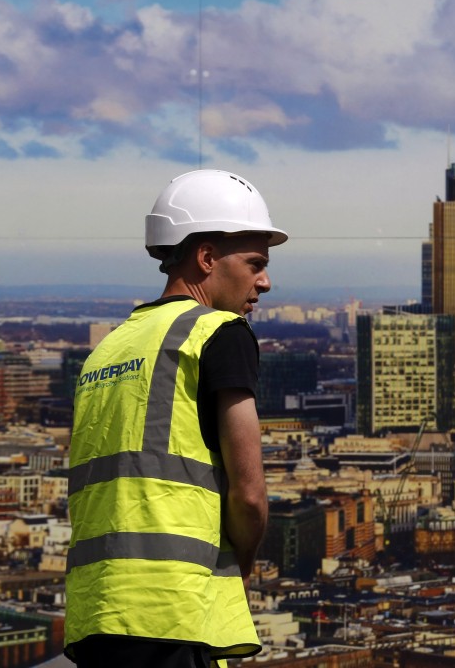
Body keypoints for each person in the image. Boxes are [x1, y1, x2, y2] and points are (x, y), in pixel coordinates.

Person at [65, 169, 288, 668]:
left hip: (96, 612)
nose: (265, 281)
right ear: (206, 257)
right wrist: (240, 568)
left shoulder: (108, 348)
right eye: (254, 263)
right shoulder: (218, 332)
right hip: (175, 609)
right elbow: (249, 494)